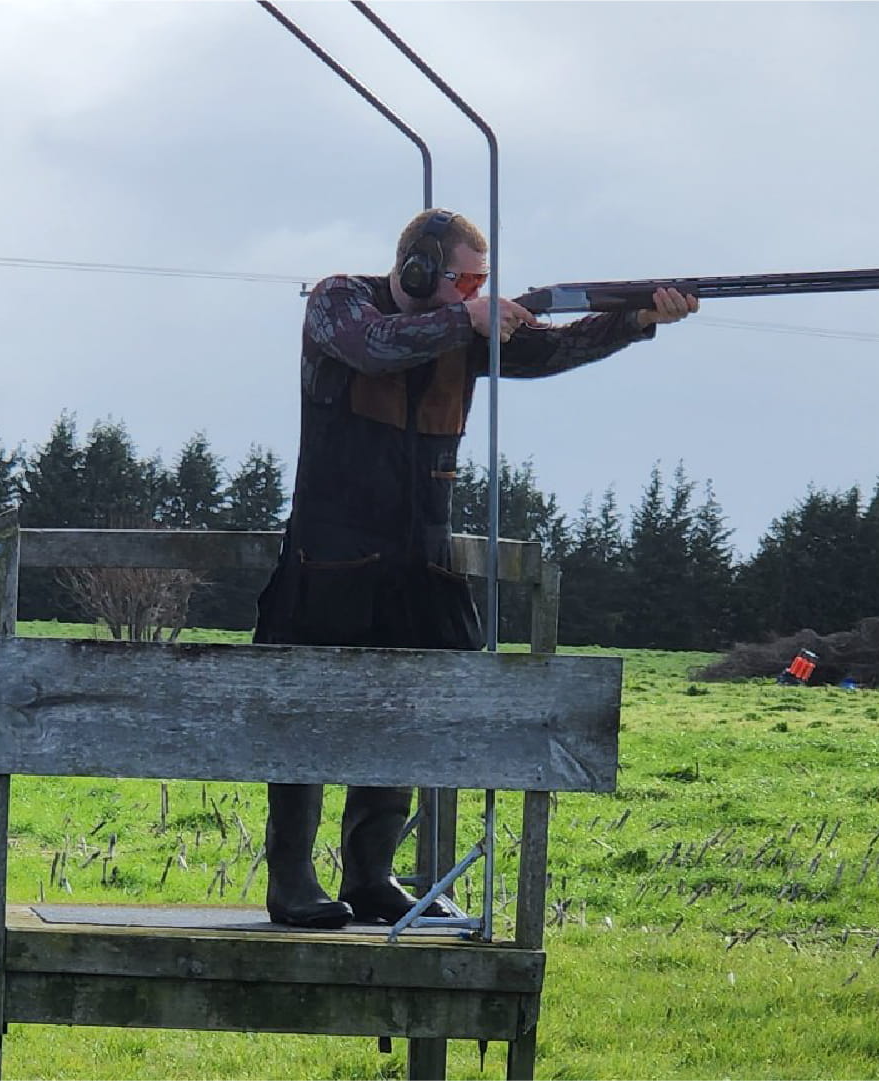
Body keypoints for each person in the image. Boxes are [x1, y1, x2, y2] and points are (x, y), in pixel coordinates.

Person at [253, 208, 698, 928]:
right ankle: (292, 882)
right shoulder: (341, 299)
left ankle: (370, 876)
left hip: (418, 561)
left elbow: (551, 350)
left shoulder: (464, 329)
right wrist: (469, 319)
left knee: (409, 717)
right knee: (307, 717)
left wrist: (636, 318)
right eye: (462, 280)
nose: (473, 294)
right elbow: (372, 348)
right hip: (328, 556)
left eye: (480, 283)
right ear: (417, 267)